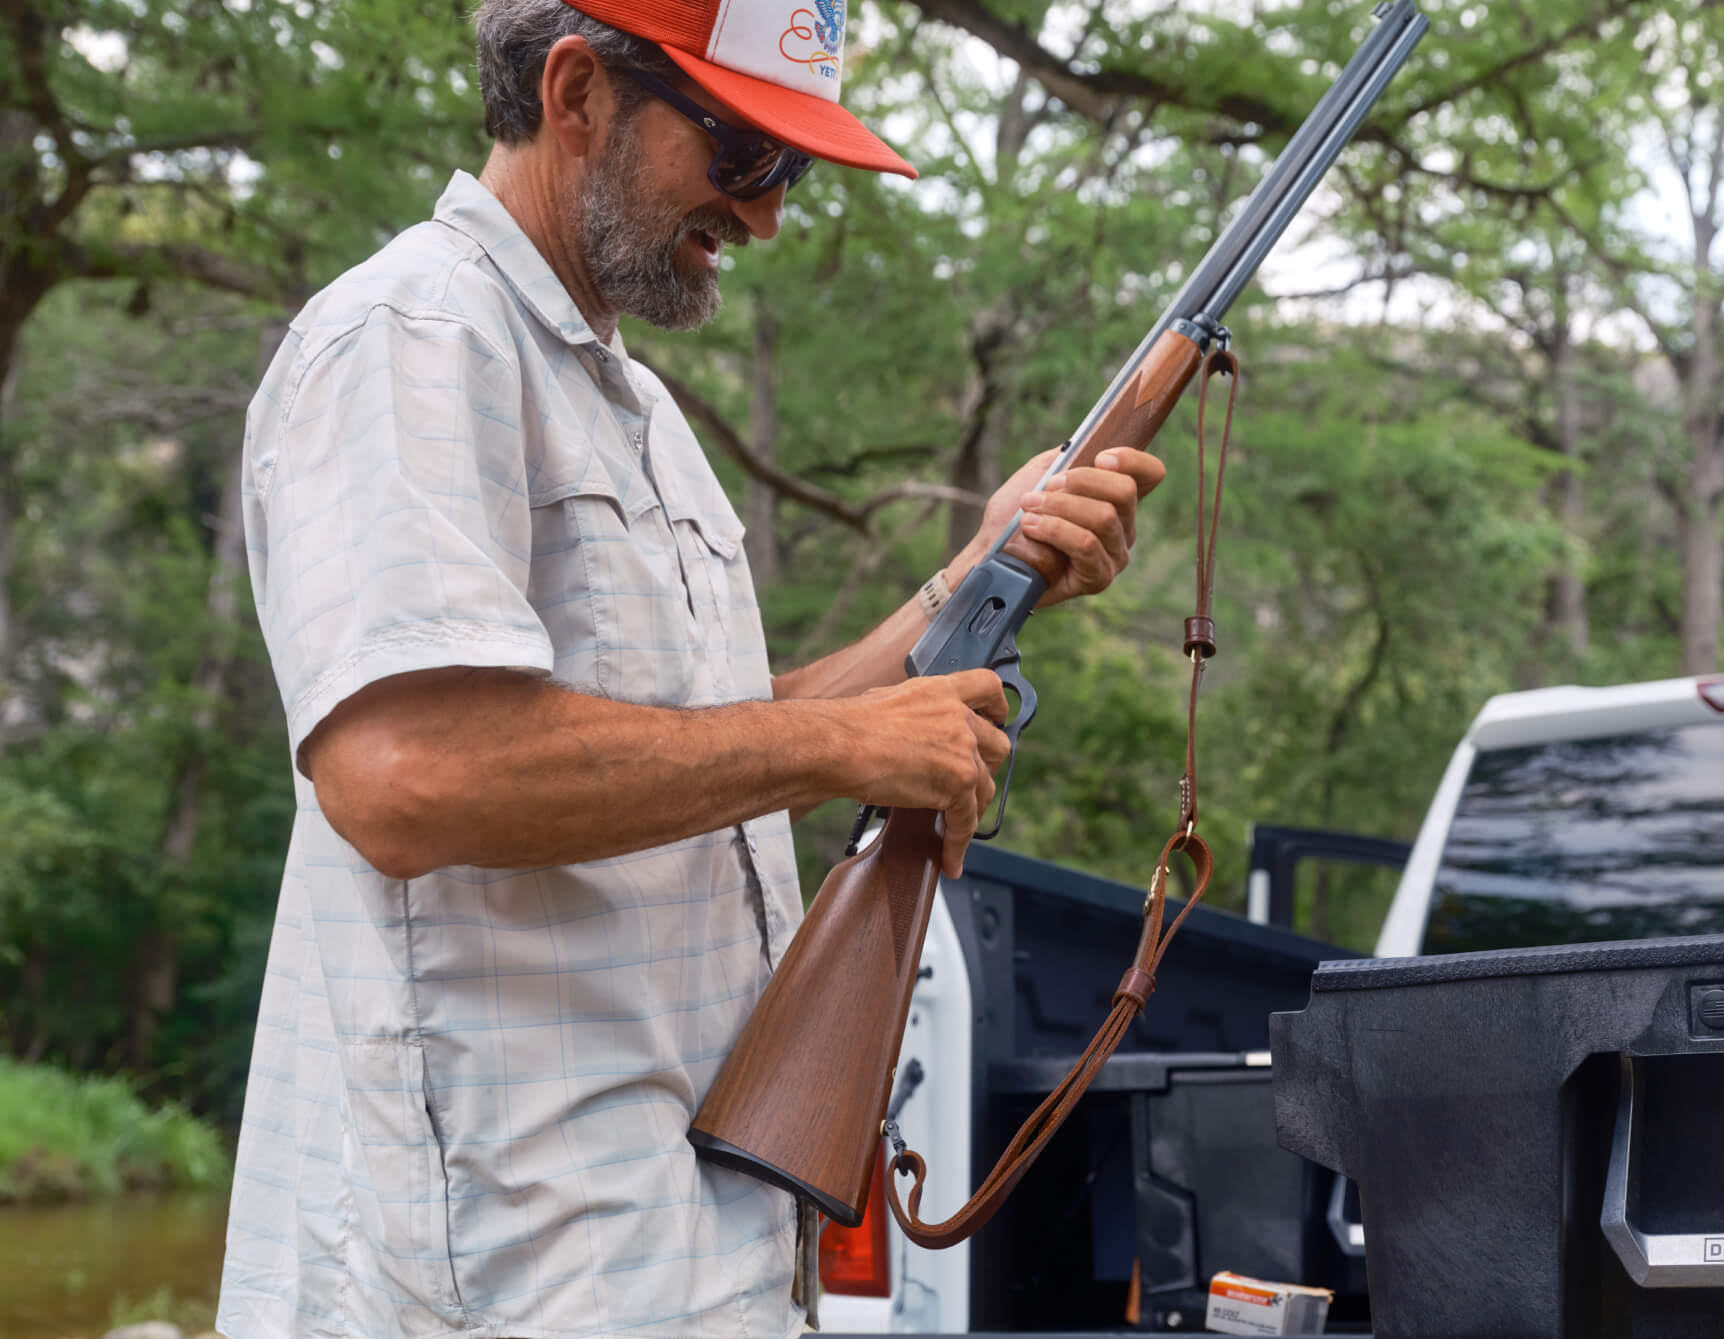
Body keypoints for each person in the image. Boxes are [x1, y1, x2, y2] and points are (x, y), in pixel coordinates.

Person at [213, 0, 1166, 1335]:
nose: (769, 215)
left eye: (794, 171)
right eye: (744, 155)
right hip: (503, 1270)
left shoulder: (635, 402)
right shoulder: (415, 336)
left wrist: (973, 582)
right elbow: (409, 775)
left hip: (673, 1249)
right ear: (576, 93)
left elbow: (696, 743)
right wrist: (849, 748)